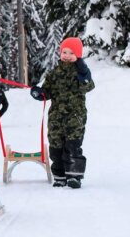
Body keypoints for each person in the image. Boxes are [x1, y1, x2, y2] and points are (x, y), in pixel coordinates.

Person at [30, 37, 94, 189]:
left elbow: (88, 86)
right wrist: (39, 93)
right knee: (56, 148)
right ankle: (59, 177)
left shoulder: (81, 72)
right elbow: (47, 92)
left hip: (75, 118)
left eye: (71, 53)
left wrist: (84, 73)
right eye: (64, 52)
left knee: (73, 147)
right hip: (56, 119)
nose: (67, 55)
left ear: (77, 55)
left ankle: (74, 177)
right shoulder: (54, 73)